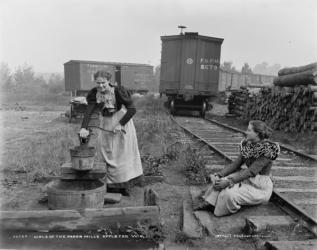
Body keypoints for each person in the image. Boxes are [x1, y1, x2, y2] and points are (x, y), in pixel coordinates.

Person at [193, 120, 280, 216]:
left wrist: (230, 182)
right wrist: (219, 174)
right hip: (246, 178)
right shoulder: (248, 145)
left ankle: (219, 208)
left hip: (259, 185)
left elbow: (251, 171)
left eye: (249, 130)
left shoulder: (267, 150)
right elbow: (235, 164)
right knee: (220, 182)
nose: (246, 132)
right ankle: (210, 204)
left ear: (257, 134)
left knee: (228, 193)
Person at [79, 70, 143, 196]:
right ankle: (109, 185)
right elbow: (89, 111)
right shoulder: (94, 94)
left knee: (122, 154)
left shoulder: (118, 91)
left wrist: (120, 124)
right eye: (98, 83)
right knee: (106, 152)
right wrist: (83, 128)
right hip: (106, 123)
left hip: (121, 122)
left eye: (103, 83)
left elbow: (132, 109)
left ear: (109, 81)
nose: (101, 86)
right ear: (95, 82)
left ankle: (124, 186)